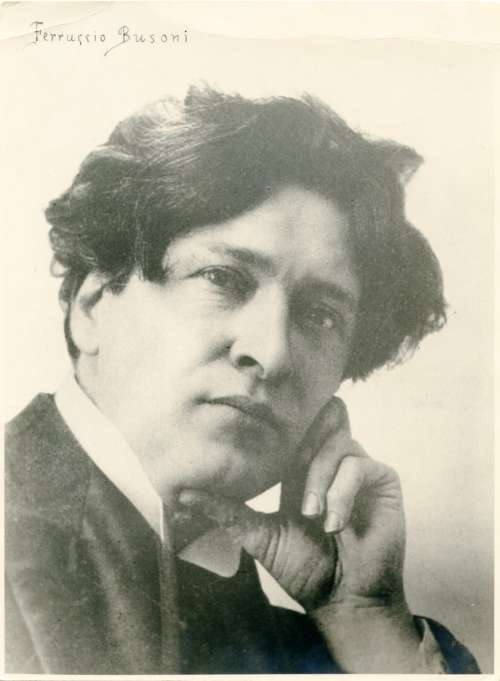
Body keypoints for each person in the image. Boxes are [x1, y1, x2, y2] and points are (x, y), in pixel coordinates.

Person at [5, 85, 480, 674]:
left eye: (320, 316)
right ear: (93, 304)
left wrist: (363, 614)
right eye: (222, 279)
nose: (272, 353)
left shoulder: (335, 645)